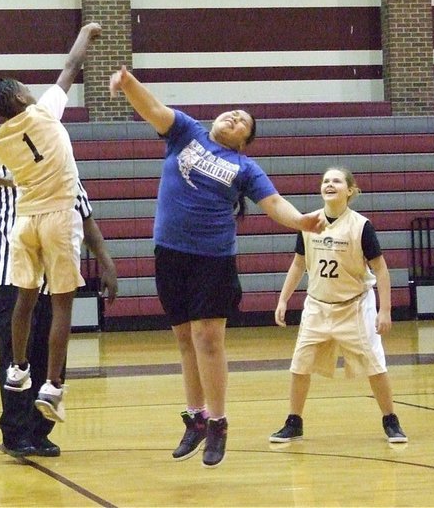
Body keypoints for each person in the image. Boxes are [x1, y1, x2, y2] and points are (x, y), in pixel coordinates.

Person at [108, 65, 327, 468]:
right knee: (184, 340)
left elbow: (274, 203)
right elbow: (153, 108)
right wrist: (127, 83)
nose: (234, 116)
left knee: (208, 338)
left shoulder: (245, 168)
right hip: (170, 254)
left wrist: (300, 221)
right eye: (232, 112)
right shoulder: (186, 132)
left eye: (244, 120)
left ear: (245, 141)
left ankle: (219, 422)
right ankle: (196, 418)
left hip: (212, 259)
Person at [0, 21, 102, 423]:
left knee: (25, 299)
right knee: (61, 306)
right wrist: (87, 32)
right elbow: (71, 65)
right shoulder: (45, 112)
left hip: (24, 223)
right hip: (58, 218)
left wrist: (7, 178)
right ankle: (53, 386)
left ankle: (18, 369)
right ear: (23, 95)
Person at [0, 170, 117, 457]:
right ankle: (16, 432)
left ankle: (38, 430)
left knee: (49, 352)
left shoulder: (62, 163)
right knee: (17, 352)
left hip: (49, 274)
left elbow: (85, 218)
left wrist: (107, 263)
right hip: (5, 270)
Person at [270, 167, 407, 444]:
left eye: (336, 181)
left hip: (355, 306)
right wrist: (283, 299)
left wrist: (385, 310)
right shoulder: (308, 223)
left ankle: (390, 420)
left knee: (375, 364)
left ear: (350, 191)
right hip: (318, 306)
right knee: (299, 365)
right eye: (325, 180)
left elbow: (381, 270)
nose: (329, 184)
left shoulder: (361, 226)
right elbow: (298, 263)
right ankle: (294, 421)